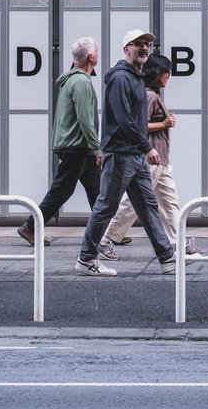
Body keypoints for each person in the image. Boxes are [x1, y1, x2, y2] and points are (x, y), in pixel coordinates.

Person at [75, 29, 178, 277]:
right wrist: (147, 147)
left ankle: (167, 257)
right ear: (126, 49)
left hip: (134, 155)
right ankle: (86, 258)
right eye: (137, 44)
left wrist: (142, 149)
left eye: (147, 45)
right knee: (106, 207)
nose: (144, 48)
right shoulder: (121, 79)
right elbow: (124, 119)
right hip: (121, 153)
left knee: (147, 205)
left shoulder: (136, 78)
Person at [98, 54, 205, 260]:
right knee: (133, 203)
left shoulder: (151, 94)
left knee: (169, 202)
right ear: (158, 73)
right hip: (152, 157)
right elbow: (138, 126)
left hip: (161, 159)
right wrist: (164, 124)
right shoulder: (149, 96)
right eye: (167, 72)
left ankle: (178, 242)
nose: (169, 76)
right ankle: (106, 237)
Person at [17, 37, 102, 247]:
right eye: (96, 53)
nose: (97, 55)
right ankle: (30, 226)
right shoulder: (81, 82)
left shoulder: (73, 80)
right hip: (78, 146)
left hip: (78, 146)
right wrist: (97, 146)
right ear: (91, 57)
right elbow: (85, 119)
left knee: (97, 191)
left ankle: (105, 233)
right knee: (63, 191)